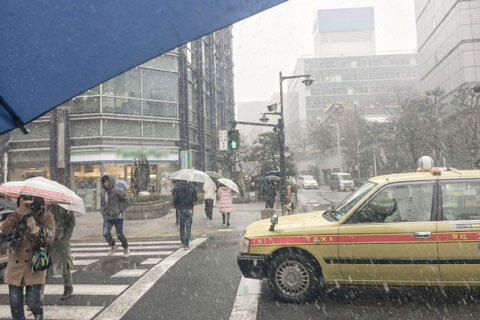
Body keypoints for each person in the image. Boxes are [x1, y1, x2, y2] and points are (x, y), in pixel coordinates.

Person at [1, 195, 55, 320]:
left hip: (34, 265)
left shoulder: (46, 216)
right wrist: (19, 212)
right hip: (16, 264)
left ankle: (39, 314)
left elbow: (50, 238)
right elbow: (4, 228)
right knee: (15, 305)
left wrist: (35, 229)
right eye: (23, 202)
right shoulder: (17, 215)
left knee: (33, 302)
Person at [48, 205, 75, 301]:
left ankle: (68, 288)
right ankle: (37, 296)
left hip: (62, 240)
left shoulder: (66, 208)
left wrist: (66, 236)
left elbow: (71, 223)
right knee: (43, 266)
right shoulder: (47, 207)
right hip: (49, 240)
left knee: (65, 265)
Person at [100, 175, 130, 257]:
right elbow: (102, 203)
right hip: (107, 217)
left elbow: (127, 200)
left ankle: (126, 249)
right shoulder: (103, 192)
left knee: (119, 235)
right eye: (105, 182)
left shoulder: (118, 191)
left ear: (111, 182)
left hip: (118, 217)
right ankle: (113, 246)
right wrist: (102, 211)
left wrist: (120, 209)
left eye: (108, 181)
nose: (106, 183)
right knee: (105, 233)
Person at [172, 180, 197, 249]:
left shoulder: (177, 187)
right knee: (188, 226)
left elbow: (174, 198)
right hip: (189, 208)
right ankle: (186, 243)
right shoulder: (191, 187)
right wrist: (191, 200)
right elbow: (195, 198)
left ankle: (183, 242)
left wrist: (176, 205)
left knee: (182, 226)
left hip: (181, 208)